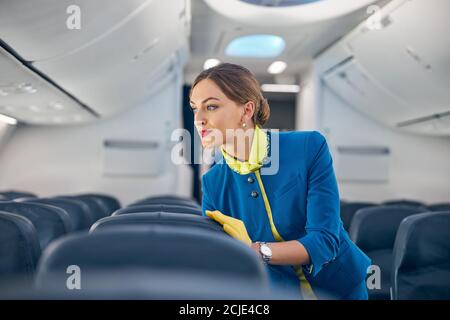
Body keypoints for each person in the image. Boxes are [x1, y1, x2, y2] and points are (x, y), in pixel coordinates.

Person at [189, 63, 371, 300]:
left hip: (337, 287)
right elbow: (225, 260)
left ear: (246, 111)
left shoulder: (308, 148)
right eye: (194, 109)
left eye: (211, 106)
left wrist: (258, 251)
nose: (198, 119)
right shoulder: (213, 183)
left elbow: (324, 241)